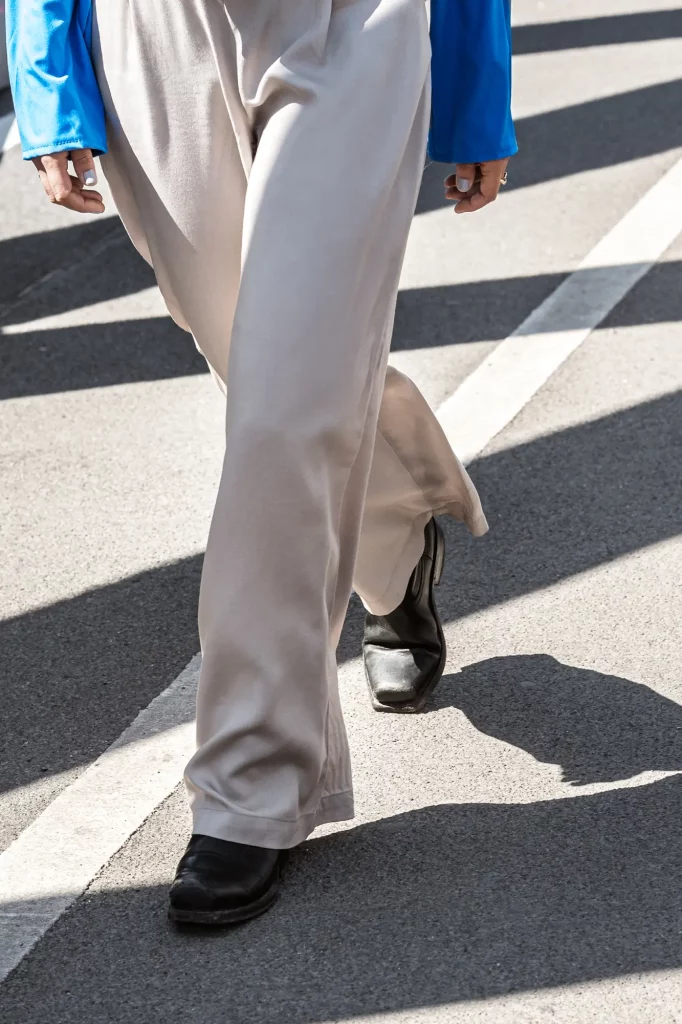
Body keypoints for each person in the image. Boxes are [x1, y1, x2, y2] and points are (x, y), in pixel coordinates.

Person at [7, 0, 516, 926]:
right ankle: (393, 538)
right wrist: (48, 82)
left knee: (288, 403)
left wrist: (477, 81)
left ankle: (252, 785)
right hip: (151, 31)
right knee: (269, 375)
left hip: (358, 23)